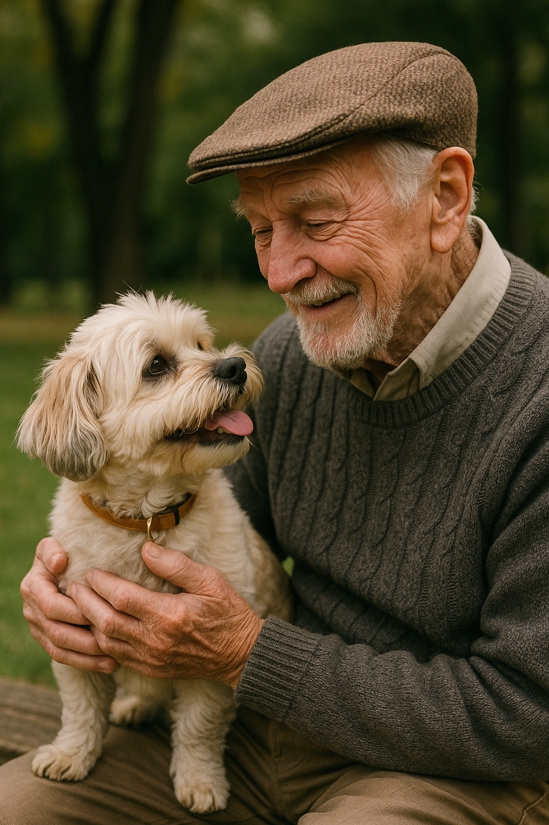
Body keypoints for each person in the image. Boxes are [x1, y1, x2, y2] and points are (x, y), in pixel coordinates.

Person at [3, 40, 549, 824]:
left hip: (447, 766)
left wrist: (248, 653)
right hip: (257, 723)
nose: (280, 272)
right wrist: (75, 597)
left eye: (314, 221)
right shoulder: (291, 354)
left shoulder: (536, 391)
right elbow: (206, 530)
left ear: (445, 197)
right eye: (261, 230)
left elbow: (526, 712)